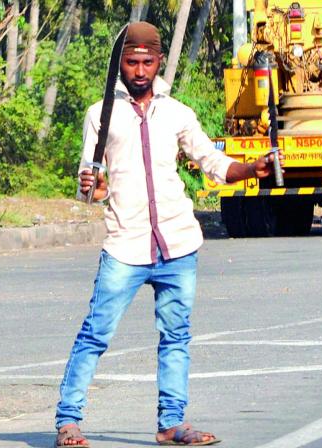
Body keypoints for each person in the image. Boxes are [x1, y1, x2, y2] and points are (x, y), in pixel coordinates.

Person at [54, 22, 283, 447]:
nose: (139, 70)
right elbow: (90, 182)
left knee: (176, 336)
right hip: (125, 244)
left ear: (158, 62)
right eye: (131, 62)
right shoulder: (99, 113)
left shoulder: (177, 112)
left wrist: (251, 170)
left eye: (147, 62)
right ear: (119, 64)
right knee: (95, 334)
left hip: (178, 243)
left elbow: (211, 162)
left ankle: (171, 424)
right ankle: (68, 422)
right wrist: (93, 190)